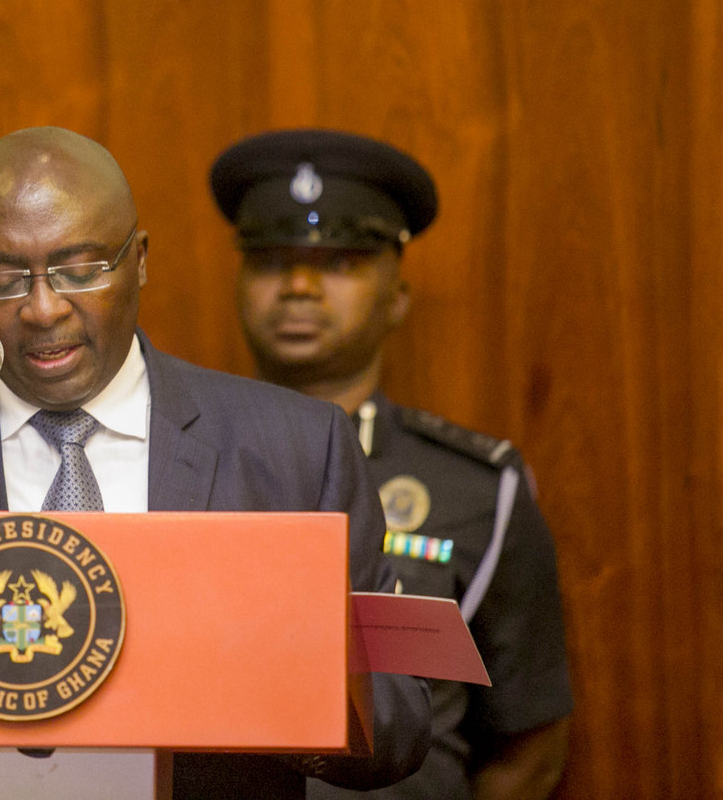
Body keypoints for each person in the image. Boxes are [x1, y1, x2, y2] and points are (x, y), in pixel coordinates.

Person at [0, 126, 431, 800]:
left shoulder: (296, 448)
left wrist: (268, 679)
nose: (42, 308)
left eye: (81, 269)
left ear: (139, 259)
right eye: (1, 276)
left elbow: (400, 722)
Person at [209, 129, 573, 800]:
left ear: (397, 296)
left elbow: (529, 744)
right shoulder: (173, 456)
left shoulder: (476, 488)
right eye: (268, 260)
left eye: (340, 262)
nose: (297, 285)